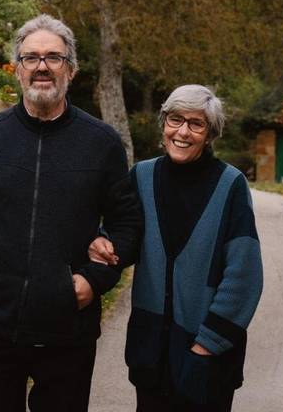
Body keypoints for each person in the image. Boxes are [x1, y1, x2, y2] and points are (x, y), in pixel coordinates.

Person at [0, 14, 142, 412]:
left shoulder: (101, 143)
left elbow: (127, 225)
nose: (42, 66)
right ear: (18, 71)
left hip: (67, 332)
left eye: (54, 58)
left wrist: (94, 279)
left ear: (71, 70)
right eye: (31, 58)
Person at [90, 85, 263, 412]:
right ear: (164, 123)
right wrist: (105, 243)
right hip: (150, 350)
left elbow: (245, 277)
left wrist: (206, 345)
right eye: (175, 120)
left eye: (196, 124)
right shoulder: (142, 176)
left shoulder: (231, 185)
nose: (182, 132)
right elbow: (123, 234)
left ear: (211, 133)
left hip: (206, 355)